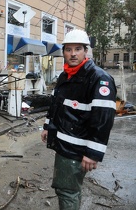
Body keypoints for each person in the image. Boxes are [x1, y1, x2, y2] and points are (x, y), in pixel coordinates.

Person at [41, 29, 117, 210]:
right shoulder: (65, 75)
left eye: (77, 49)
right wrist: (47, 126)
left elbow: (103, 119)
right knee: (65, 188)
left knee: (67, 191)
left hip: (77, 148)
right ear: (63, 52)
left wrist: (93, 153)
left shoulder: (99, 78)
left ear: (85, 51)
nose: (73, 54)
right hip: (63, 144)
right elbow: (56, 105)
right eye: (68, 49)